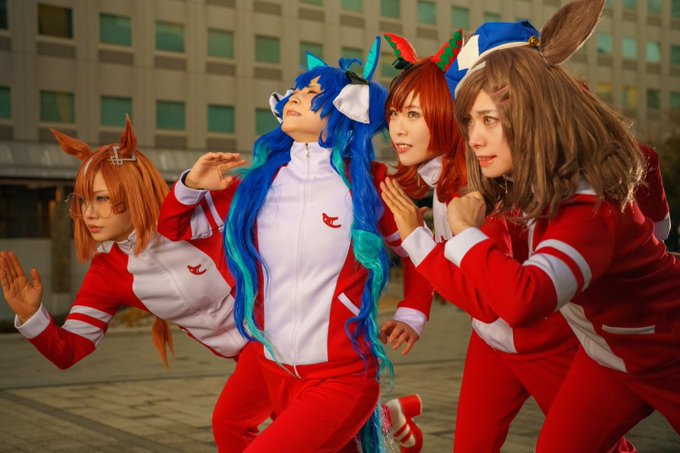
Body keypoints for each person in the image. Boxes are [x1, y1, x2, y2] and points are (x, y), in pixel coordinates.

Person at [157, 38, 432, 452]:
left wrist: (413, 313)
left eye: (312, 91)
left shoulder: (370, 183)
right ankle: (393, 423)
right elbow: (173, 227)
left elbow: (419, 248)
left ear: (346, 110)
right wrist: (191, 185)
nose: (295, 96)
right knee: (229, 425)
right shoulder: (258, 183)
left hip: (342, 374)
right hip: (272, 364)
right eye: (297, 89)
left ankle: (382, 418)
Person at [379, 32, 638, 453]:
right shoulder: (444, 181)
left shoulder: (479, 188)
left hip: (543, 343)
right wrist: (413, 313)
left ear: (448, 113)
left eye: (412, 113)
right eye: (394, 113)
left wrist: (415, 236)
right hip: (491, 341)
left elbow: (489, 301)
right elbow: (447, 269)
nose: (397, 128)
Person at [442, 1, 680, 451]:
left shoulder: (590, 208)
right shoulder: (540, 184)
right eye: (470, 121)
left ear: (534, 113)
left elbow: (525, 301)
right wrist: (654, 234)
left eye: (489, 119)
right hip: (607, 360)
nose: (473, 138)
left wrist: (467, 235)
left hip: (669, 352)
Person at [0, 118, 271, 446]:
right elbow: (69, 350)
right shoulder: (106, 272)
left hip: (280, 331)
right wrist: (31, 316)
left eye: (102, 198)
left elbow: (271, 187)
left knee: (231, 424)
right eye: (83, 200)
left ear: (134, 193)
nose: (89, 213)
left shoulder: (190, 214)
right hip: (250, 358)